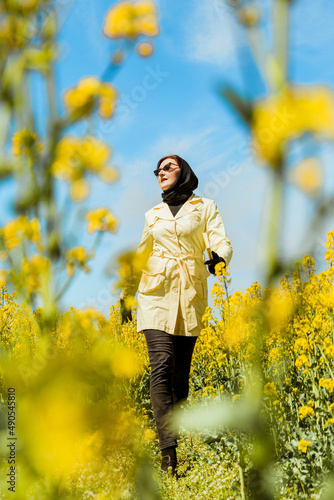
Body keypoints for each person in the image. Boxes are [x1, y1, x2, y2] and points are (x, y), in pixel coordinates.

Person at [120, 155, 233, 477]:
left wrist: (218, 257)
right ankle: (167, 455)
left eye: (168, 167)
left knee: (180, 378)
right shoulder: (151, 214)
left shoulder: (205, 206)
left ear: (184, 172)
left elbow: (219, 238)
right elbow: (142, 251)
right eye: (158, 170)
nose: (161, 173)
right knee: (162, 364)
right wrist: (128, 293)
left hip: (190, 292)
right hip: (155, 292)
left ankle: (177, 443)